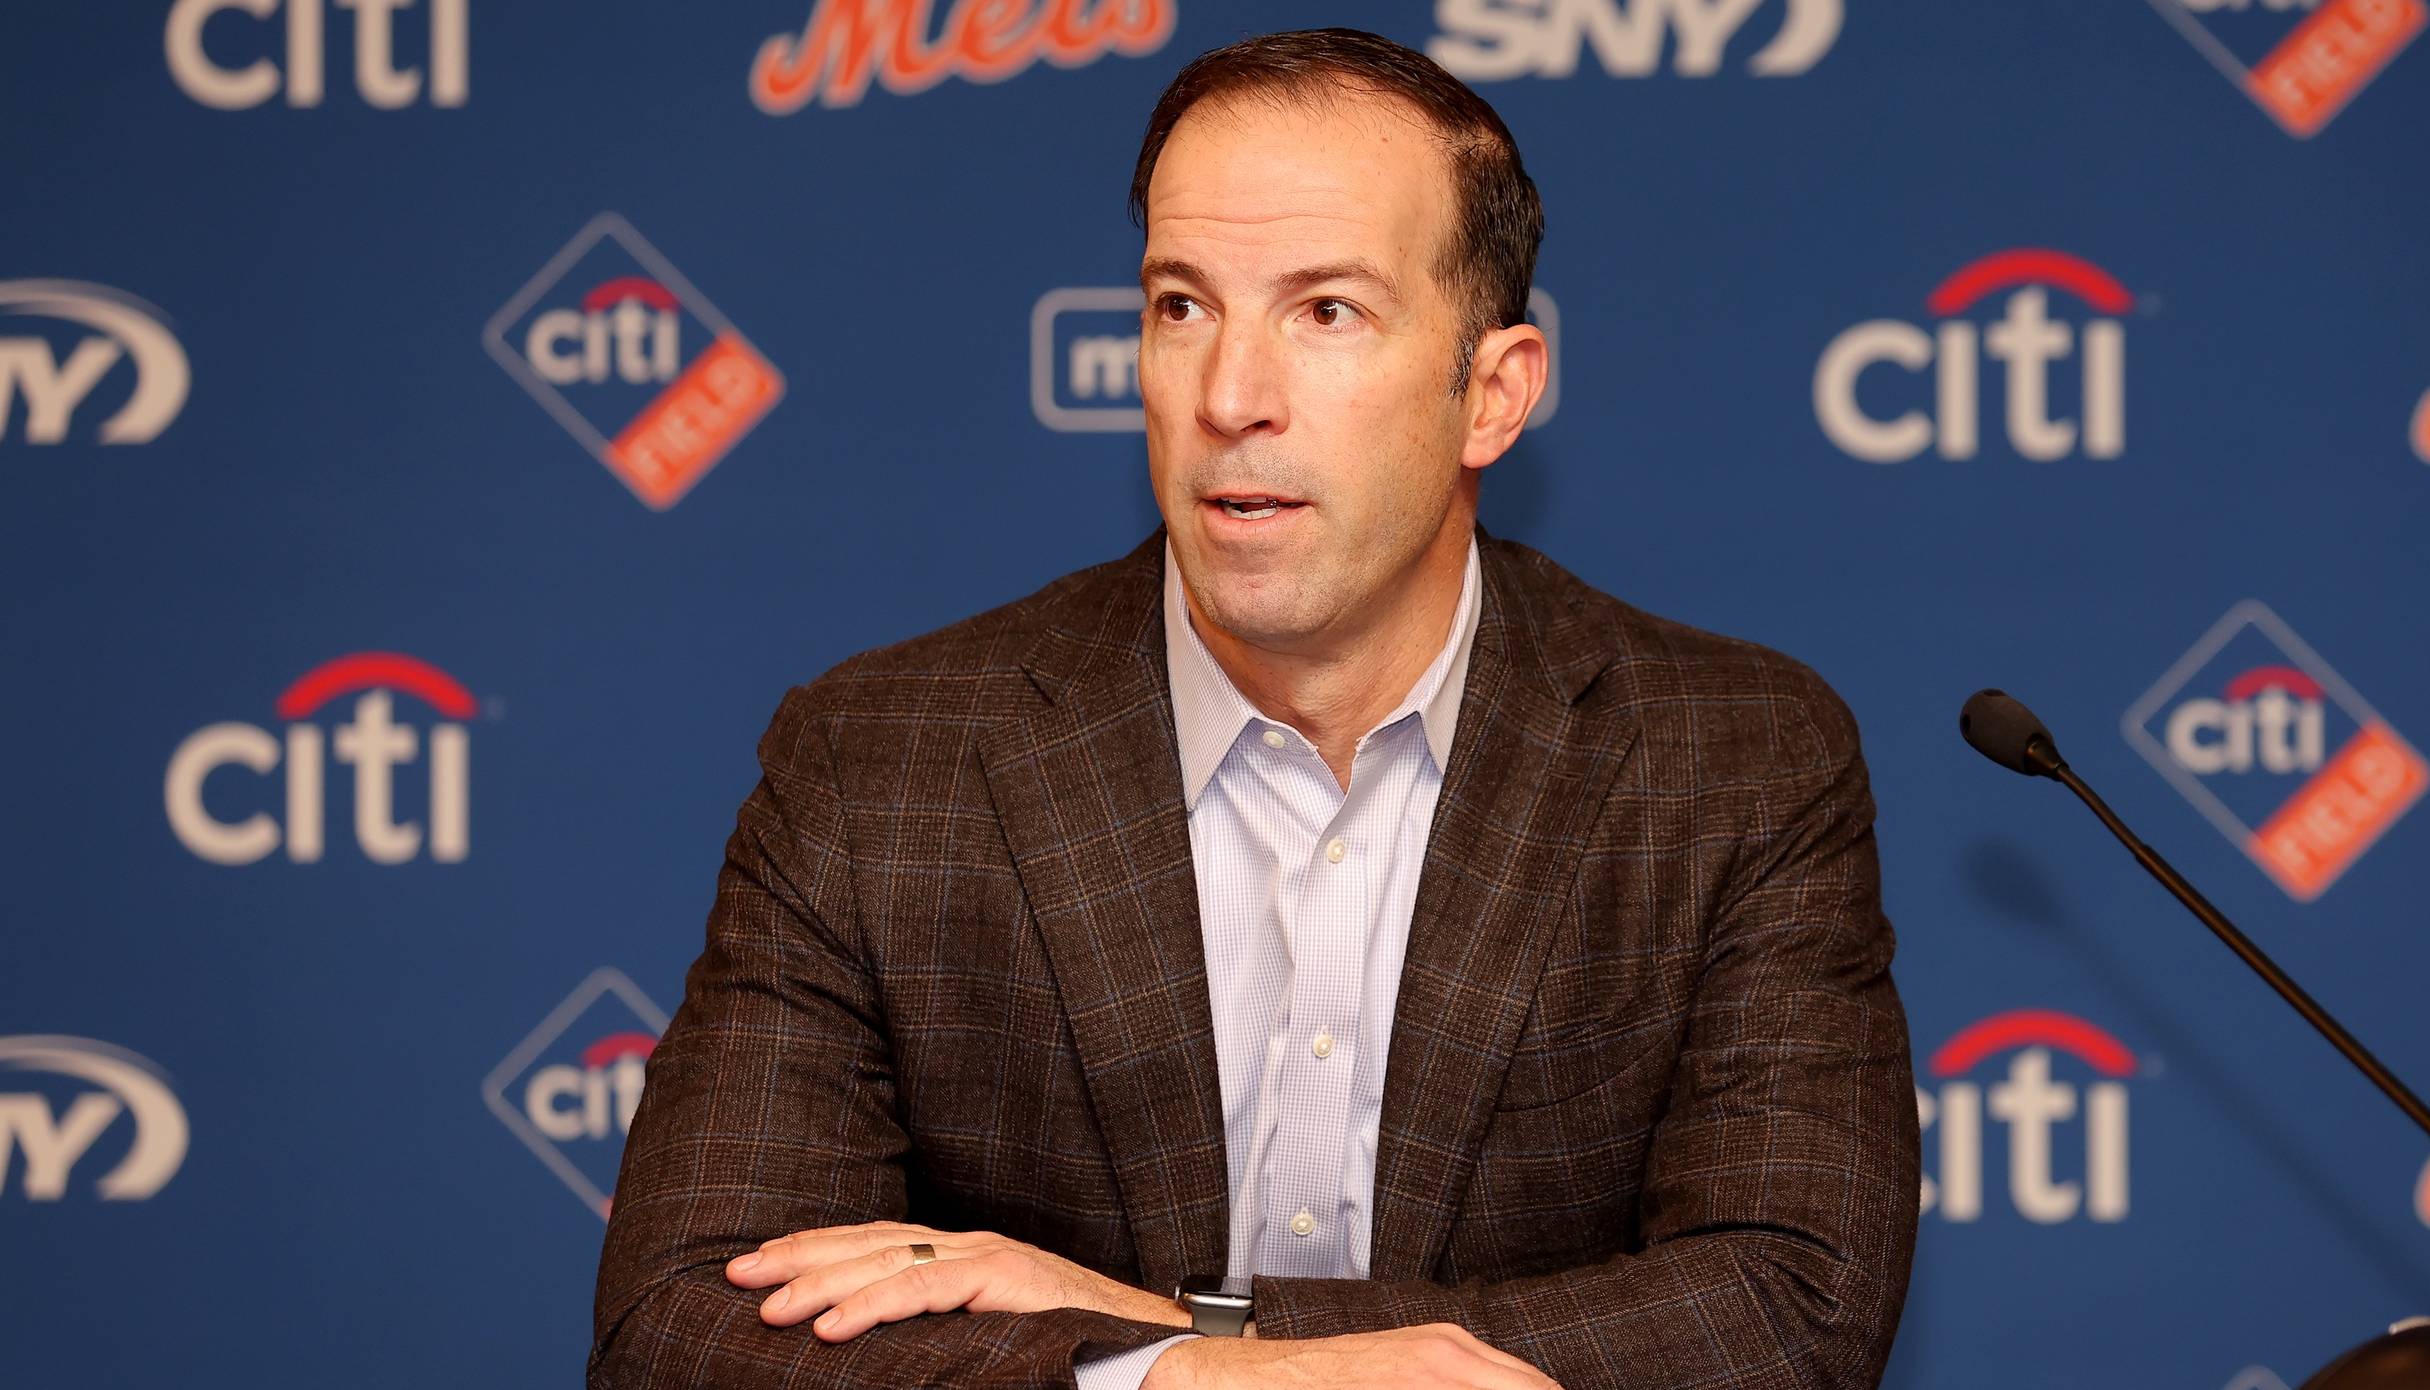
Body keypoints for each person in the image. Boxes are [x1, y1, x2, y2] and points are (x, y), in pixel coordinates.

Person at [591, 27, 1917, 1390]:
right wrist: (1172, 1376)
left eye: (1325, 312)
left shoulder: (1734, 762)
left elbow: (1785, 1315)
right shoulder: (881, 762)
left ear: (1494, 392)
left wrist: (1162, 1335)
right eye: (1183, 306)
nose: (1229, 396)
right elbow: (684, 1329)